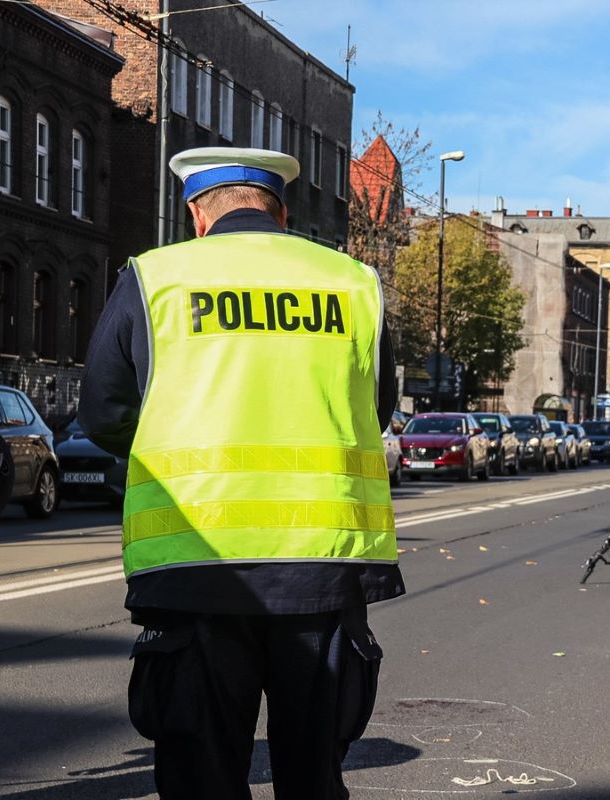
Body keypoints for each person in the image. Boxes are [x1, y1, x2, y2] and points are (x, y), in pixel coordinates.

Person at [78, 147, 404, 799]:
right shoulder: (352, 283)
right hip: (323, 564)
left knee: (201, 777)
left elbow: (104, 413)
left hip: (194, 561)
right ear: (281, 212)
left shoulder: (155, 278)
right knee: (313, 776)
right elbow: (376, 410)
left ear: (198, 215)